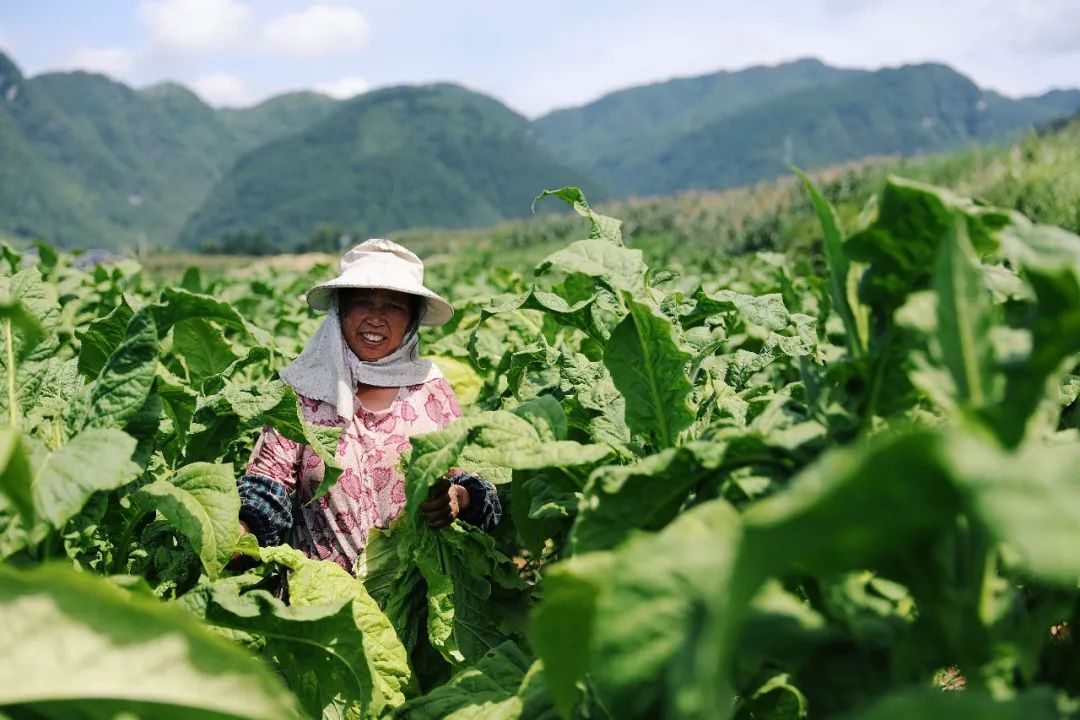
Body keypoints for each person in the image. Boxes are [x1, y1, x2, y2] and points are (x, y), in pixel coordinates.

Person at [235, 239, 501, 573]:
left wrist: (460, 498)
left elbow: (479, 490)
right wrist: (240, 533)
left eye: (393, 306)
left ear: (412, 320)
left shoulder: (430, 390)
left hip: (413, 602)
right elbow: (267, 486)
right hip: (320, 603)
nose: (375, 318)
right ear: (340, 311)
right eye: (362, 303)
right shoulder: (303, 391)